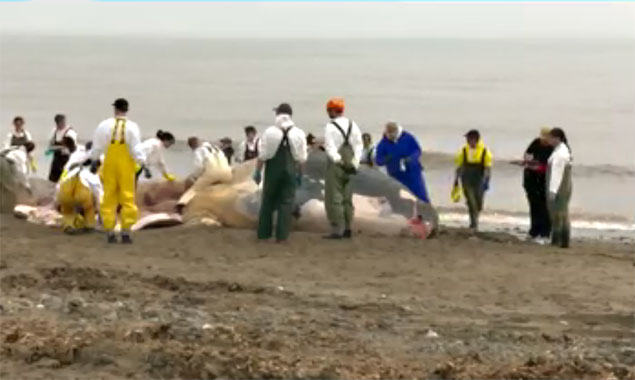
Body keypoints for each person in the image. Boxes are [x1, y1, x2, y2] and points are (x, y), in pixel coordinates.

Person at [90, 98, 146, 244]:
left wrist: (94, 160)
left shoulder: (104, 125)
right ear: (127, 109)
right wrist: (142, 162)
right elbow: (136, 148)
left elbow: (97, 146)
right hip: (126, 165)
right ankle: (126, 231)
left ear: (115, 109)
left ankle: (110, 231)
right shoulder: (132, 127)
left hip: (109, 164)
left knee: (109, 196)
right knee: (127, 196)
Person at [253, 103, 307, 242]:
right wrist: (300, 174)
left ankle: (264, 233)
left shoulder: (269, 132)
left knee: (268, 200)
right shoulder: (299, 133)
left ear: (278, 114)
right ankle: (281, 236)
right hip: (290, 168)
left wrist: (257, 172)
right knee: (286, 201)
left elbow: (262, 155)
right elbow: (301, 158)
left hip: (273, 169)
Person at [322, 97, 363, 239]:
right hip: (351, 161)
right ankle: (348, 228)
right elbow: (359, 145)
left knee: (334, 196)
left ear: (333, 111)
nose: (328, 113)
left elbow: (330, 147)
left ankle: (337, 229)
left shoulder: (330, 127)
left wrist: (338, 161)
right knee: (347, 196)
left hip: (337, 164)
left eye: (328, 110)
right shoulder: (353, 124)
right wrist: (355, 163)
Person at [375, 122, 431, 218]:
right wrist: (386, 159)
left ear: (397, 131)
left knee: (420, 193)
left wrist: (411, 158)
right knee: (400, 197)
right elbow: (378, 161)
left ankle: (428, 214)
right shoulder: (383, 143)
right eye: (389, 134)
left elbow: (417, 150)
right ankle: (407, 216)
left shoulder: (408, 138)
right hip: (396, 174)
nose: (391, 136)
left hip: (412, 172)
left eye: (393, 133)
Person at [454, 129, 493, 231]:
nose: (468, 141)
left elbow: (488, 168)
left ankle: (474, 220)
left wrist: (487, 181)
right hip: (466, 178)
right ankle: (473, 224)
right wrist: (456, 180)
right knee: (471, 201)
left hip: (479, 179)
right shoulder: (463, 151)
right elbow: (459, 166)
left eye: (469, 139)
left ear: (475, 139)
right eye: (467, 139)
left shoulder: (485, 151)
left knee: (478, 203)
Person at [521, 127, 554, 243]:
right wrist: (529, 163)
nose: (544, 139)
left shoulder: (552, 148)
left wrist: (539, 167)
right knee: (534, 206)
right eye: (543, 136)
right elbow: (527, 156)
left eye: (547, 137)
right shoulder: (535, 143)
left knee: (545, 207)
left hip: (545, 181)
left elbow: (552, 165)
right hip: (531, 180)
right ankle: (534, 231)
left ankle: (545, 233)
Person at [56, 159, 104, 235]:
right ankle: (89, 225)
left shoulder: (67, 175)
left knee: (68, 211)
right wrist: (98, 208)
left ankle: (68, 225)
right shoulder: (89, 174)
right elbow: (98, 192)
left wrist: (58, 203)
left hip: (65, 194)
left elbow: (58, 188)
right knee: (89, 209)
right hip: (82, 194)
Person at [547, 127, 573, 249]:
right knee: (563, 212)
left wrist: (552, 190)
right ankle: (562, 240)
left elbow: (556, 174)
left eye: (551, 138)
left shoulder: (560, 154)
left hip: (560, 187)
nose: (549, 140)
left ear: (557, 138)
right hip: (564, 186)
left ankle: (559, 240)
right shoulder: (561, 150)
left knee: (559, 213)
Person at [47, 114, 77, 183]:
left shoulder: (70, 133)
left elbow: (73, 148)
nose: (61, 124)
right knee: (52, 180)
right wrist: (57, 148)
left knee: (66, 180)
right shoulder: (54, 132)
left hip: (67, 159)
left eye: (63, 122)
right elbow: (50, 147)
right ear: (56, 123)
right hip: (56, 159)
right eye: (59, 123)